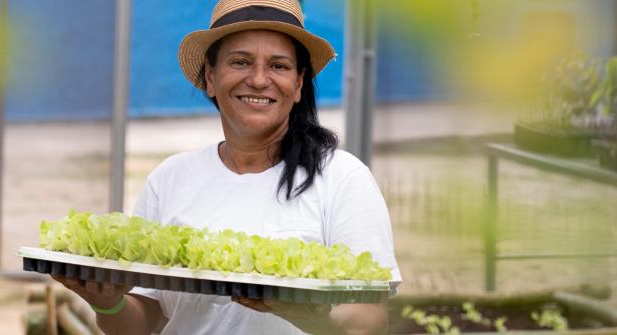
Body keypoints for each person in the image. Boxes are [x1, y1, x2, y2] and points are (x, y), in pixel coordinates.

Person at [53, 0, 401, 334]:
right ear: (210, 77)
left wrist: (308, 318)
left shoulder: (343, 178)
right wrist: (108, 304)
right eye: (240, 62)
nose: (259, 80)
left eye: (279, 65)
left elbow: (367, 320)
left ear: (298, 85)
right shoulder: (170, 179)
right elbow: (143, 323)